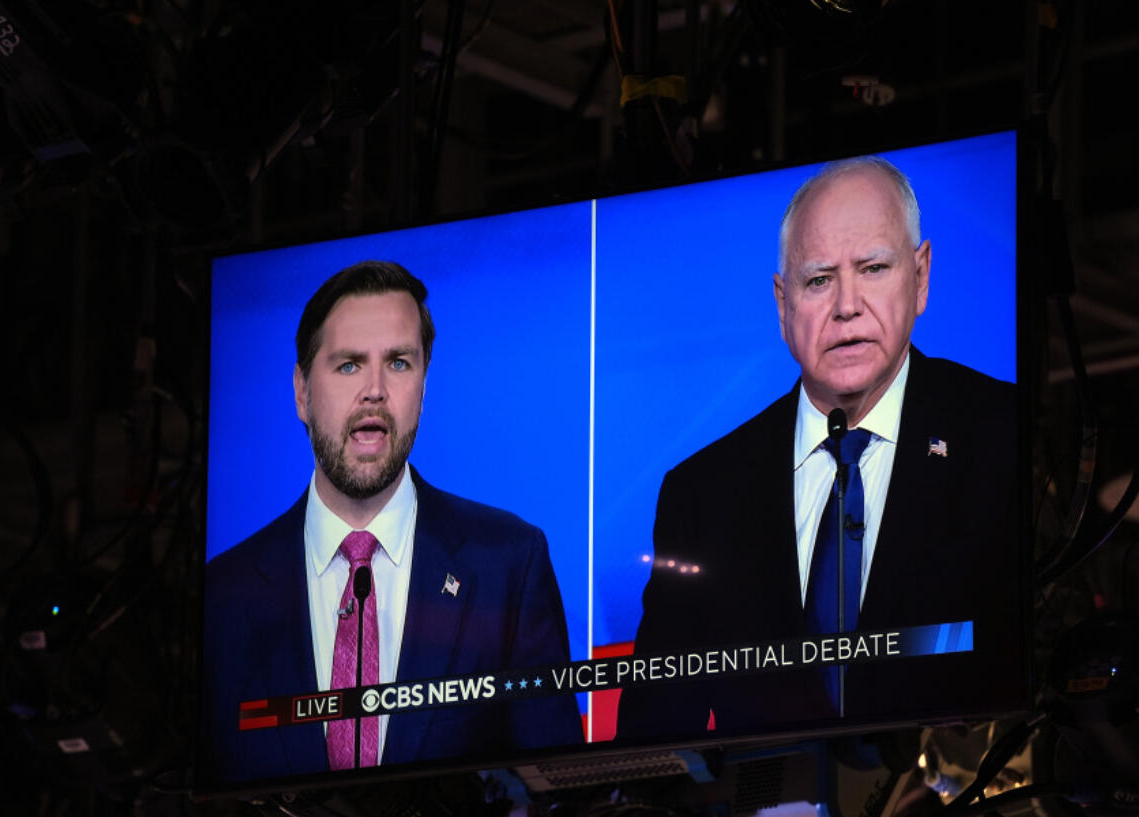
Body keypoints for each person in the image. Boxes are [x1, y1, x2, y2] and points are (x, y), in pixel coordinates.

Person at [616, 157, 1021, 740]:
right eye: (818, 280)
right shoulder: (701, 494)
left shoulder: (1002, 434)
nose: (847, 306)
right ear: (782, 306)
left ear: (921, 276)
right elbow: (653, 743)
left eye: (874, 268)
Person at [201, 261, 582, 785]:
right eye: (350, 365)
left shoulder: (510, 564)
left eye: (399, 363)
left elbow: (556, 788)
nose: (375, 391)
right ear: (301, 393)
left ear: (423, 386)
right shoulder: (222, 595)